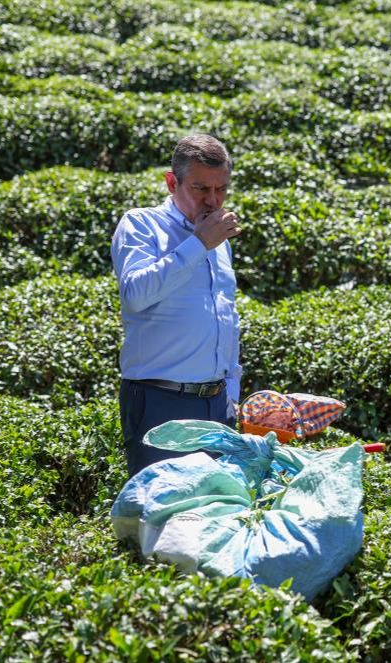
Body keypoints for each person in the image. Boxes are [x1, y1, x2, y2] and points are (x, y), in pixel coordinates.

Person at [111, 133, 243, 479]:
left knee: (215, 515)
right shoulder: (142, 225)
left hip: (216, 403)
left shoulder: (218, 238)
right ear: (172, 182)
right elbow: (136, 293)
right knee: (161, 517)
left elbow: (224, 313)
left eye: (222, 189)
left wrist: (231, 390)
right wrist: (199, 244)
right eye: (201, 189)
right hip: (160, 399)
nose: (213, 201)